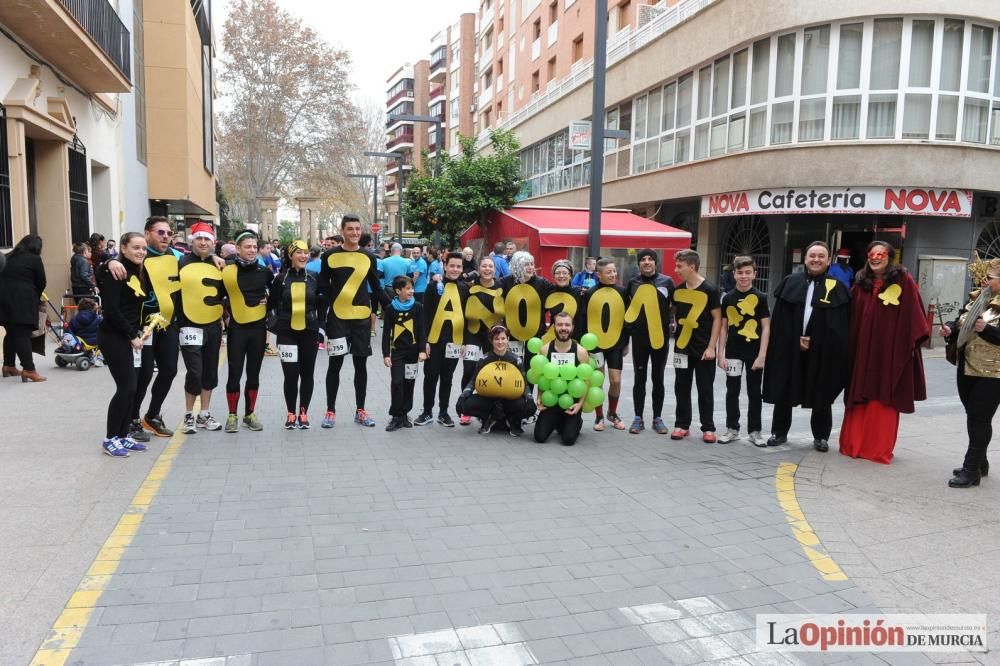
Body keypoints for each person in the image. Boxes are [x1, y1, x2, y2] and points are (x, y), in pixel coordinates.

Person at [838, 241, 928, 464]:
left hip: (888, 351)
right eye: (872, 254)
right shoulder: (861, 283)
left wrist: (905, 346)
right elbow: (849, 315)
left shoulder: (903, 281)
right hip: (862, 351)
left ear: (889, 257)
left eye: (881, 254)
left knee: (883, 395)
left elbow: (914, 316)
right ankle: (854, 444)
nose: (876, 258)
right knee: (860, 391)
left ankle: (876, 448)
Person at [762, 241, 851, 451]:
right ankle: (779, 431)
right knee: (785, 387)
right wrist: (795, 339)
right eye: (812, 256)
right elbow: (780, 320)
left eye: (821, 256)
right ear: (805, 259)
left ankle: (821, 436)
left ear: (828, 260)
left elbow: (839, 327)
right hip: (790, 347)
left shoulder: (837, 287)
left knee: (821, 388)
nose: (816, 260)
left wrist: (815, 339)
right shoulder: (790, 282)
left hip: (821, 350)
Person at [317, 214, 388, 429]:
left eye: (358, 229)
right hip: (338, 319)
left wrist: (393, 308)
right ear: (342, 230)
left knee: (361, 365)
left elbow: (376, 287)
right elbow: (322, 287)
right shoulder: (329, 256)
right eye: (350, 229)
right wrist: (322, 317)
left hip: (360, 320)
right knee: (335, 364)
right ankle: (330, 411)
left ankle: (360, 410)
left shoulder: (369, 257)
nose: (355, 233)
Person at [941, 258, 1000, 488]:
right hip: (967, 367)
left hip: (993, 372)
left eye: (991, 278)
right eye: (983, 277)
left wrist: (987, 330)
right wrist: (950, 329)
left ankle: (970, 470)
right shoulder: (979, 297)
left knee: (979, 419)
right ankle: (980, 462)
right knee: (974, 417)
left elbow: (987, 331)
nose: (984, 281)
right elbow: (961, 323)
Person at [95, 232, 150, 457]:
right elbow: (111, 310)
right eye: (136, 247)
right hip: (113, 336)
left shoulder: (139, 270)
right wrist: (131, 335)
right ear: (123, 248)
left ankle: (123, 435)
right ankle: (110, 439)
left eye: (143, 248)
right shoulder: (116, 270)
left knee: (133, 388)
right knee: (126, 387)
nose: (141, 252)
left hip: (130, 335)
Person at [221, 230, 273, 434]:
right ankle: (232, 415)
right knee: (234, 374)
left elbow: (277, 295)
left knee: (253, 374)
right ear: (238, 249)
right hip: (237, 329)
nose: (251, 250)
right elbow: (218, 295)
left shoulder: (264, 271)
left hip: (258, 329)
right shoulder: (226, 270)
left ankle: (249, 414)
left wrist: (269, 302)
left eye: (254, 247)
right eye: (247, 247)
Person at [268, 240, 323, 429]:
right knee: (290, 375)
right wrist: (274, 326)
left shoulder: (315, 277)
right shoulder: (281, 279)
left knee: (307, 374)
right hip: (287, 333)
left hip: (309, 332)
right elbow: (271, 305)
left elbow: (322, 305)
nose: (303, 256)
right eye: (299, 252)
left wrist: (322, 329)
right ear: (291, 255)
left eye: (306, 252)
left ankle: (303, 412)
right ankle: (291, 413)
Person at [717, 256, 771, 446]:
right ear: (734, 274)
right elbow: (724, 327)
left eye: (748, 272)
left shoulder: (761, 297)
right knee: (732, 390)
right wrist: (720, 353)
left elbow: (766, 327)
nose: (744, 276)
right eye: (740, 273)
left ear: (755, 274)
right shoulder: (728, 298)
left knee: (754, 392)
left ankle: (755, 431)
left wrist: (762, 355)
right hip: (733, 351)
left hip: (754, 352)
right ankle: (732, 429)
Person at [177, 222, 225, 434]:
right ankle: (189, 415)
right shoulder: (180, 262)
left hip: (213, 325)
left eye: (207, 239)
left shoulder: (220, 264)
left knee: (210, 372)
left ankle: (204, 413)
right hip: (189, 326)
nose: (203, 242)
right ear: (192, 241)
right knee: (194, 372)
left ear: (213, 243)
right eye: (199, 239)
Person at [671, 250, 722, 442]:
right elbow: (674, 312)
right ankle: (682, 424)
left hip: (703, 349)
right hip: (682, 347)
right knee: (681, 386)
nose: (676, 270)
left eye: (679, 266)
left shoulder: (710, 289)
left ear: (692, 267)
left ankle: (708, 428)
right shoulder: (677, 290)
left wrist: (711, 347)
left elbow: (717, 319)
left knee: (705, 388)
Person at [415, 251, 468, 427]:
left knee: (447, 378)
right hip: (434, 341)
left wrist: (464, 342)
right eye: (452, 265)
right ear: (445, 266)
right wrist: (425, 343)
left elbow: (466, 317)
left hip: (454, 341)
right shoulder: (433, 287)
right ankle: (427, 411)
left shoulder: (464, 289)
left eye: (458, 266)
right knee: (430, 376)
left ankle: (444, 412)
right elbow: (425, 315)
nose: (455, 269)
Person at [626, 249, 674, 435]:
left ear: (656, 262)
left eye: (650, 259)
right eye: (643, 260)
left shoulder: (667, 282)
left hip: (659, 338)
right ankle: (638, 418)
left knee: (658, 378)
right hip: (639, 339)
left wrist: (669, 322)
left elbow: (674, 306)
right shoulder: (633, 283)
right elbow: (628, 310)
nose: (646, 262)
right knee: (640, 378)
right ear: (639, 264)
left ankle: (658, 418)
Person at [457, 324, 536, 436]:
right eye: (496, 339)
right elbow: (473, 381)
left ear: (508, 339)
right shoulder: (484, 359)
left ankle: (512, 420)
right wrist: (463, 396)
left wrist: (529, 398)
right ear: (491, 340)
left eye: (503, 338)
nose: (500, 342)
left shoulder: (516, 360)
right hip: (489, 400)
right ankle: (488, 418)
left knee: (530, 408)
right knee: (465, 405)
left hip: (510, 401)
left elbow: (525, 384)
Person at [585, 258, 630, 431]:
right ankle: (599, 417)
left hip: (616, 343)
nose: (613, 274)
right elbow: (584, 318)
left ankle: (612, 413)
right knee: (597, 380)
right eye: (608, 272)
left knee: (616, 381)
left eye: (614, 271)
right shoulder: (589, 293)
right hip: (595, 344)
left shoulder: (623, 292)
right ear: (599, 275)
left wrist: (626, 342)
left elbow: (627, 319)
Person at [459, 256, 504, 425]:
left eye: (490, 266)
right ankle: (466, 408)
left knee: (491, 371)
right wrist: (463, 341)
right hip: (472, 333)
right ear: (479, 268)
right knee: (469, 369)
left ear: (494, 269)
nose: (487, 269)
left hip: (491, 335)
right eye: (484, 266)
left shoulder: (501, 285)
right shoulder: (470, 285)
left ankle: (489, 408)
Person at [534, 312, 589, 445]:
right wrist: (540, 397)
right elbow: (543, 376)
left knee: (568, 440)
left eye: (567, 325)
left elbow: (586, 379)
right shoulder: (545, 349)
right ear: (554, 327)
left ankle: (576, 421)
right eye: (559, 324)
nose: (563, 328)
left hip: (571, 401)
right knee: (539, 437)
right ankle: (557, 420)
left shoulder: (581, 352)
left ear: (572, 327)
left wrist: (580, 404)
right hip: (552, 399)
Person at [383, 275, 427, 431]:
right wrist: (386, 354)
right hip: (397, 353)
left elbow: (422, 329)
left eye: (412, 288)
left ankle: (404, 414)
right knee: (397, 382)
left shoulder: (418, 307)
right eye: (407, 289)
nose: (411, 291)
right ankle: (395, 415)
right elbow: (386, 332)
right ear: (398, 291)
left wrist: (422, 350)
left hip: (413, 353)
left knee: (409, 383)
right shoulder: (390, 309)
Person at [0, 234, 47, 382]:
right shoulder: (34, 259)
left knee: (11, 332)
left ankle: (8, 365)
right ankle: (29, 369)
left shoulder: (7, 256)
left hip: (3, 301)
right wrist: (35, 296)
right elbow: (41, 282)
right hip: (22, 301)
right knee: (22, 334)